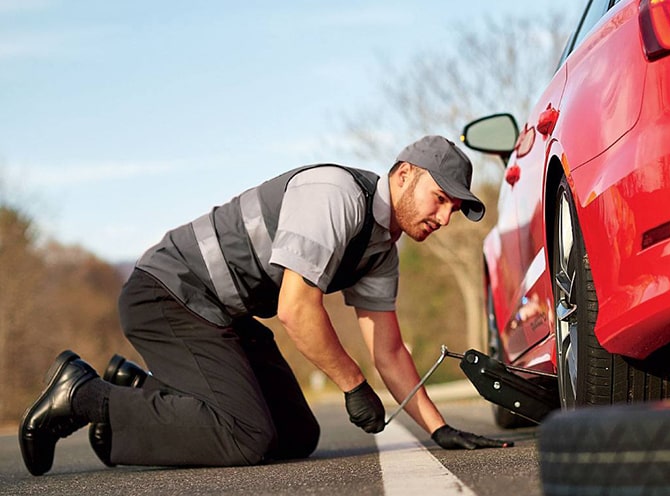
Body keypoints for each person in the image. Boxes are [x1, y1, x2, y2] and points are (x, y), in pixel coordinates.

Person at [20, 135, 511, 476]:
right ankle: (85, 395)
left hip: (224, 313)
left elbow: (390, 351)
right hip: (170, 293)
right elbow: (298, 311)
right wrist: (353, 385)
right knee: (246, 436)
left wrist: (439, 429)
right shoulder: (336, 195)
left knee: (297, 435)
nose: (445, 217)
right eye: (440, 198)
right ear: (404, 175)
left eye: (454, 209)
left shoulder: (382, 249)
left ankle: (140, 391)